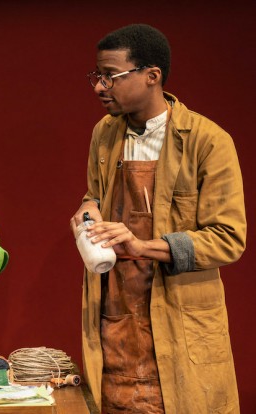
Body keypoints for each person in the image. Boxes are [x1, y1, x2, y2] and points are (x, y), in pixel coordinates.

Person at [70, 24, 245, 413]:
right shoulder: (105, 134)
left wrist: (142, 245)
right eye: (95, 77)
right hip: (116, 311)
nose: (99, 87)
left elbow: (228, 237)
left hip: (178, 315)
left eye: (110, 76)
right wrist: (88, 213)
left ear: (152, 76)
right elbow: (93, 195)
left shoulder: (207, 140)